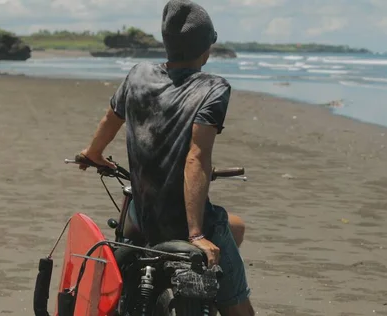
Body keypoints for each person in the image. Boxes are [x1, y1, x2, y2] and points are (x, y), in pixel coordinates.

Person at [77, 0, 254, 315]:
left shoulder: (137, 75)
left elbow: (111, 118)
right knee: (239, 307)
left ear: (166, 42)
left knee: (235, 227)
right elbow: (196, 159)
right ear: (207, 48)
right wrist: (196, 234)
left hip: (145, 219)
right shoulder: (213, 88)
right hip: (184, 225)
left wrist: (93, 154)